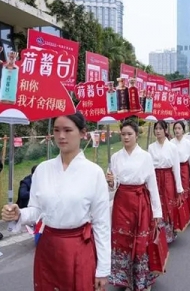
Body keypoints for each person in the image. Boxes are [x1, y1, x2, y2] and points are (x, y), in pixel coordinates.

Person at [1, 112, 111, 291]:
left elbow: (102, 224)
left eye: (68, 130)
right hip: (48, 247)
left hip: (78, 249)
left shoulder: (94, 173)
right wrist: (19, 213)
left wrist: (103, 269)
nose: (61, 136)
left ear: (83, 133)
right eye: (57, 130)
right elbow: (37, 211)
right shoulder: (43, 170)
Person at [107, 120, 162, 291]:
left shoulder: (145, 156)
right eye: (123, 134)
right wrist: (110, 182)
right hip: (121, 202)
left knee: (140, 240)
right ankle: (124, 278)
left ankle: (141, 279)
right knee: (122, 239)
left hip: (140, 202)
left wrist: (157, 211)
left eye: (129, 134)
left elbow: (152, 185)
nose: (126, 137)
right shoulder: (115, 157)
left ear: (136, 135)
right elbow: (113, 186)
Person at [148, 120, 184, 243]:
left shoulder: (172, 147)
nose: (157, 131)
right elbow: (149, 167)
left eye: (160, 129)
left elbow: (176, 168)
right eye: (156, 129)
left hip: (168, 177)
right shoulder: (151, 147)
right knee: (157, 203)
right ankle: (158, 232)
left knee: (168, 202)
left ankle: (169, 232)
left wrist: (179, 188)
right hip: (155, 177)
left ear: (165, 130)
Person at [171, 121, 190, 213]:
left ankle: (186, 211)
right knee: (175, 190)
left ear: (183, 130)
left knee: (185, 189)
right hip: (173, 170)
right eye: (175, 128)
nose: (177, 130)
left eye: (179, 128)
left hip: (184, 169)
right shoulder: (171, 142)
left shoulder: (188, 143)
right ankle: (177, 213)